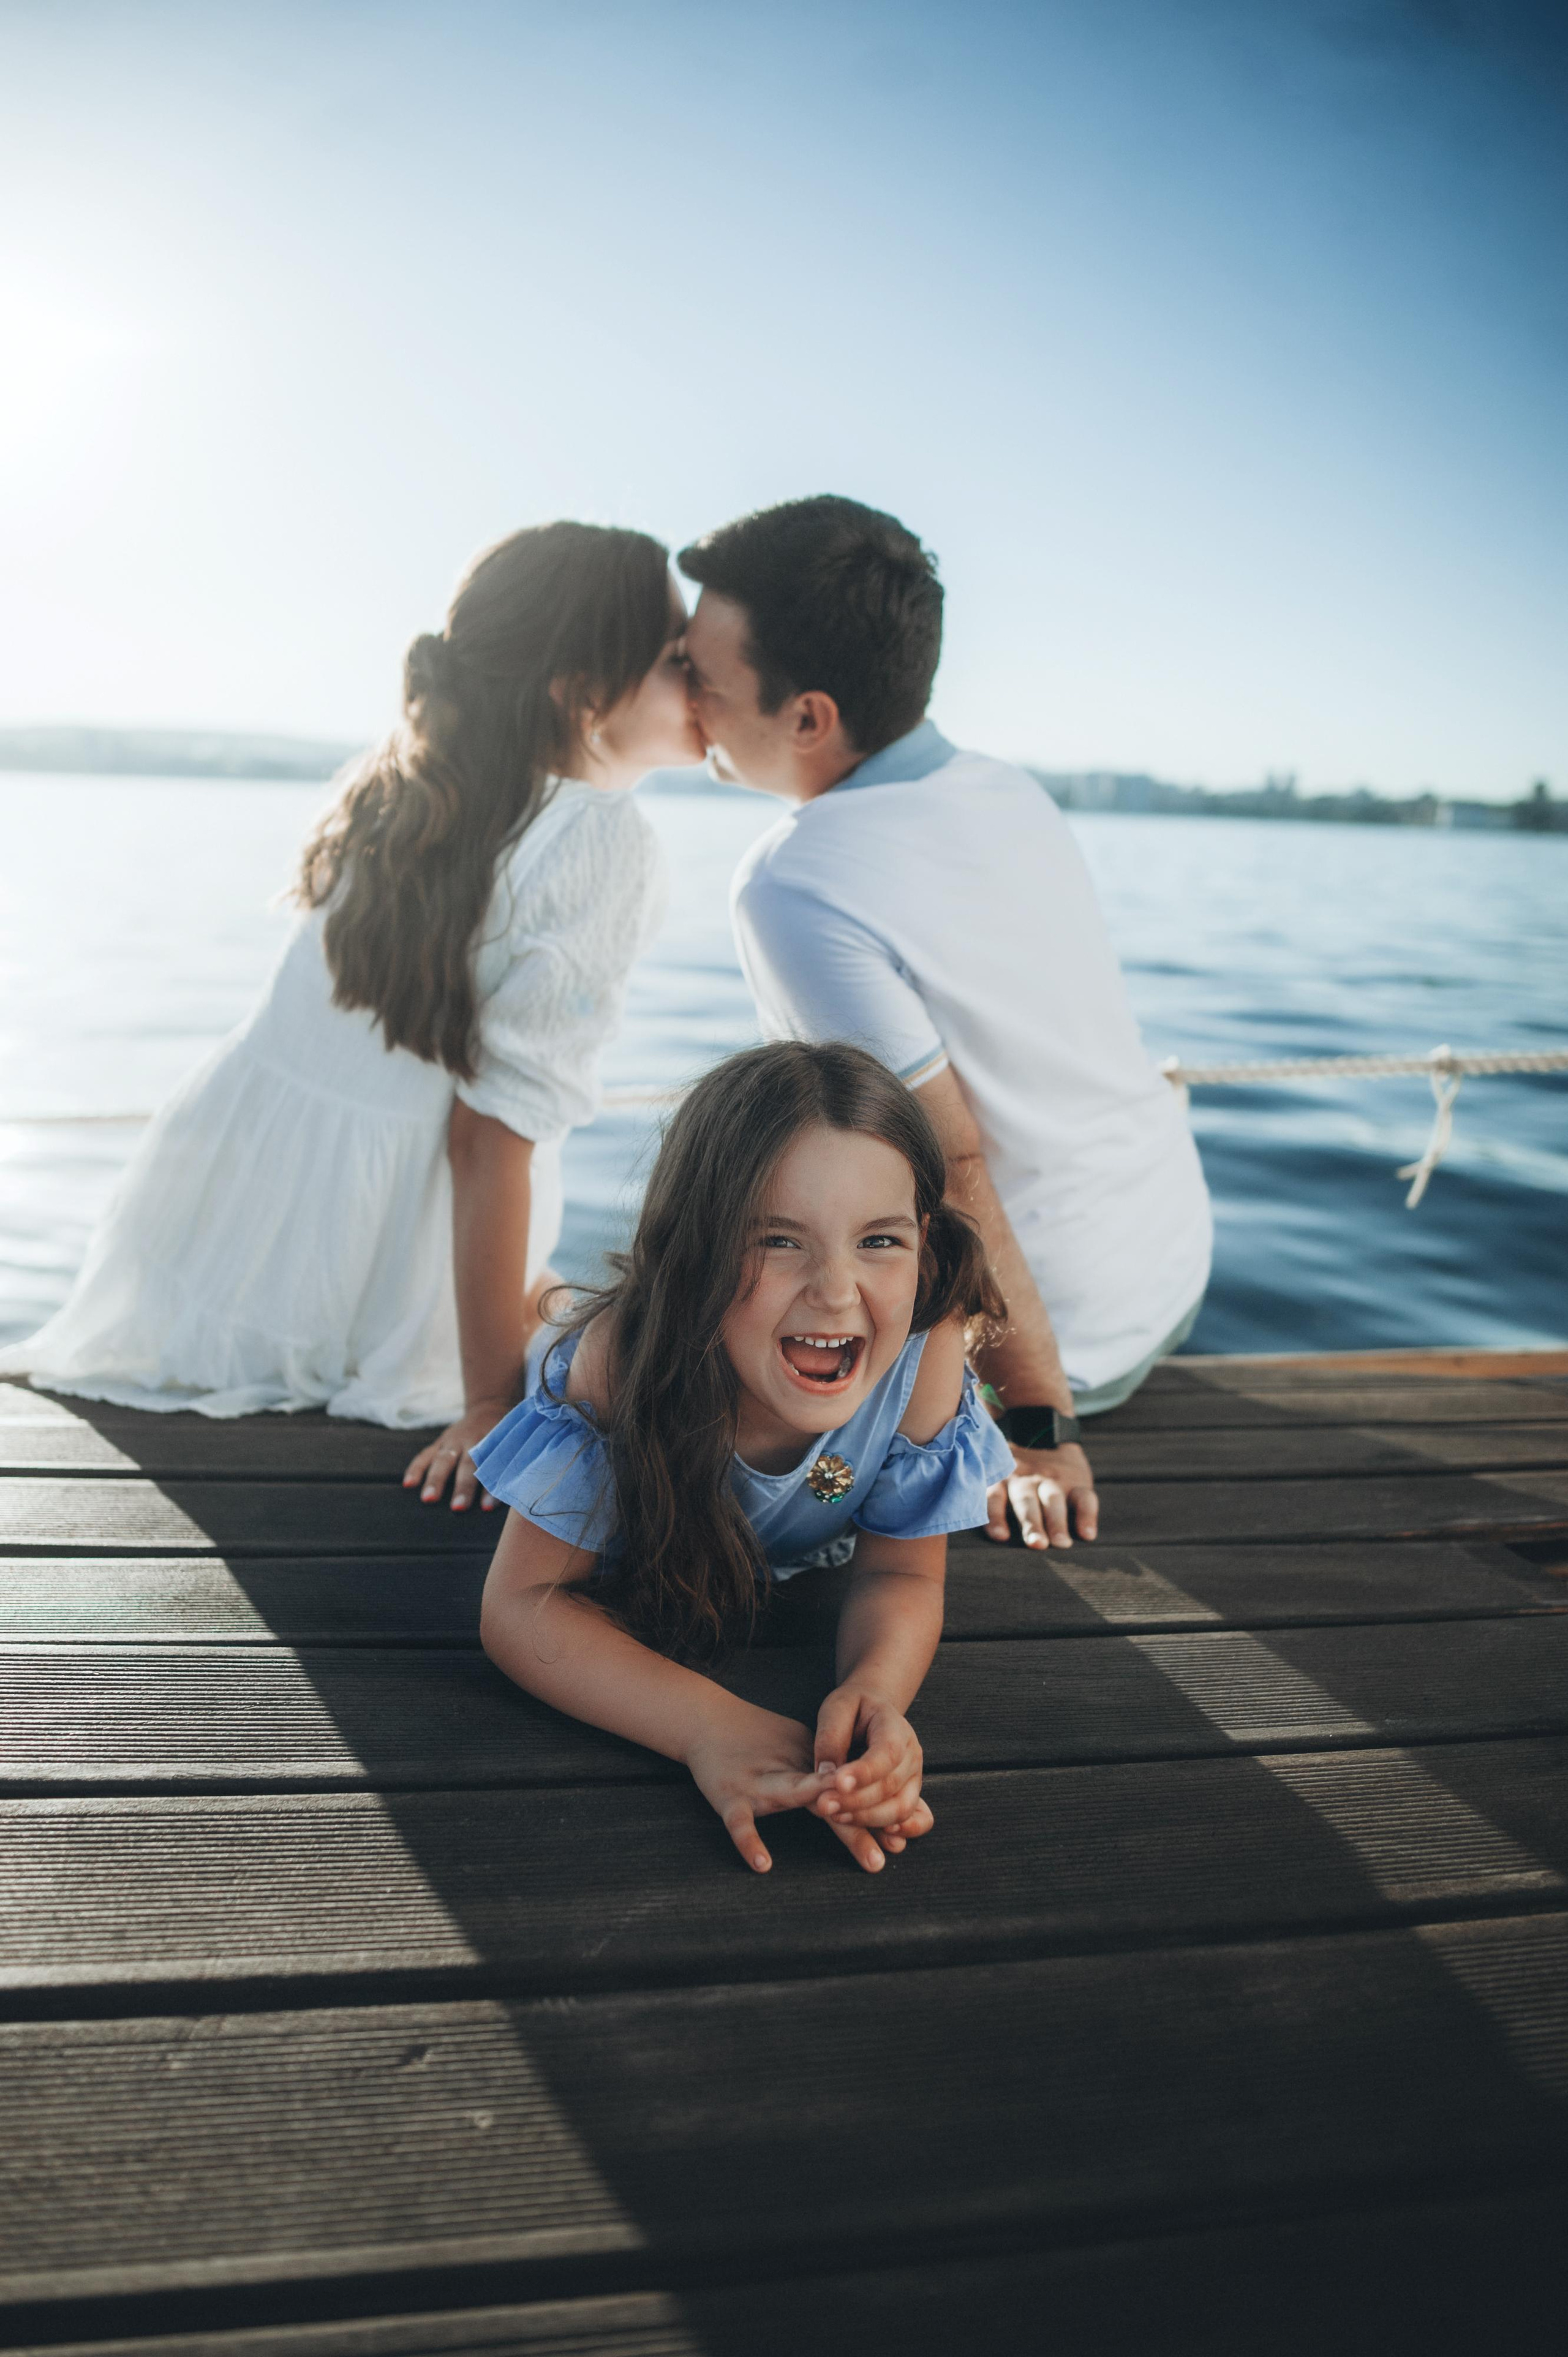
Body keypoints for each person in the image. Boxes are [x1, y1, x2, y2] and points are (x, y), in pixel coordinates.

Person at [1, 523, 703, 1507]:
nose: (700, 669)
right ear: (582, 692)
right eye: (675, 655)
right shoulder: (599, 842)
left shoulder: (413, 794)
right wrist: (489, 1405)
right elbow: (488, 1137)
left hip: (227, 1242)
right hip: (380, 1290)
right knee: (689, 1393)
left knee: (621, 1324)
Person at [677, 494, 1213, 1551]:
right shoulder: (1008, 791)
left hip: (1062, 1344)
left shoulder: (795, 881)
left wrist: (1039, 1423)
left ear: (809, 719)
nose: (685, 700)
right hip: (1170, 1266)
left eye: (701, 676)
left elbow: (948, 1162)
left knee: (641, 1381)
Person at [473, 1040, 1011, 1875]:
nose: (836, 1290)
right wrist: (710, 1727)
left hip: (814, 1506)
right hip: (609, 1407)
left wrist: (873, 1694)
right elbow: (522, 1605)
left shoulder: (923, 1351)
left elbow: (903, 1572)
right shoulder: (621, 1365)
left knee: (865, 1467)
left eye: (879, 1240)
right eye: (780, 1241)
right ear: (695, 1251)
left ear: (925, 1247)